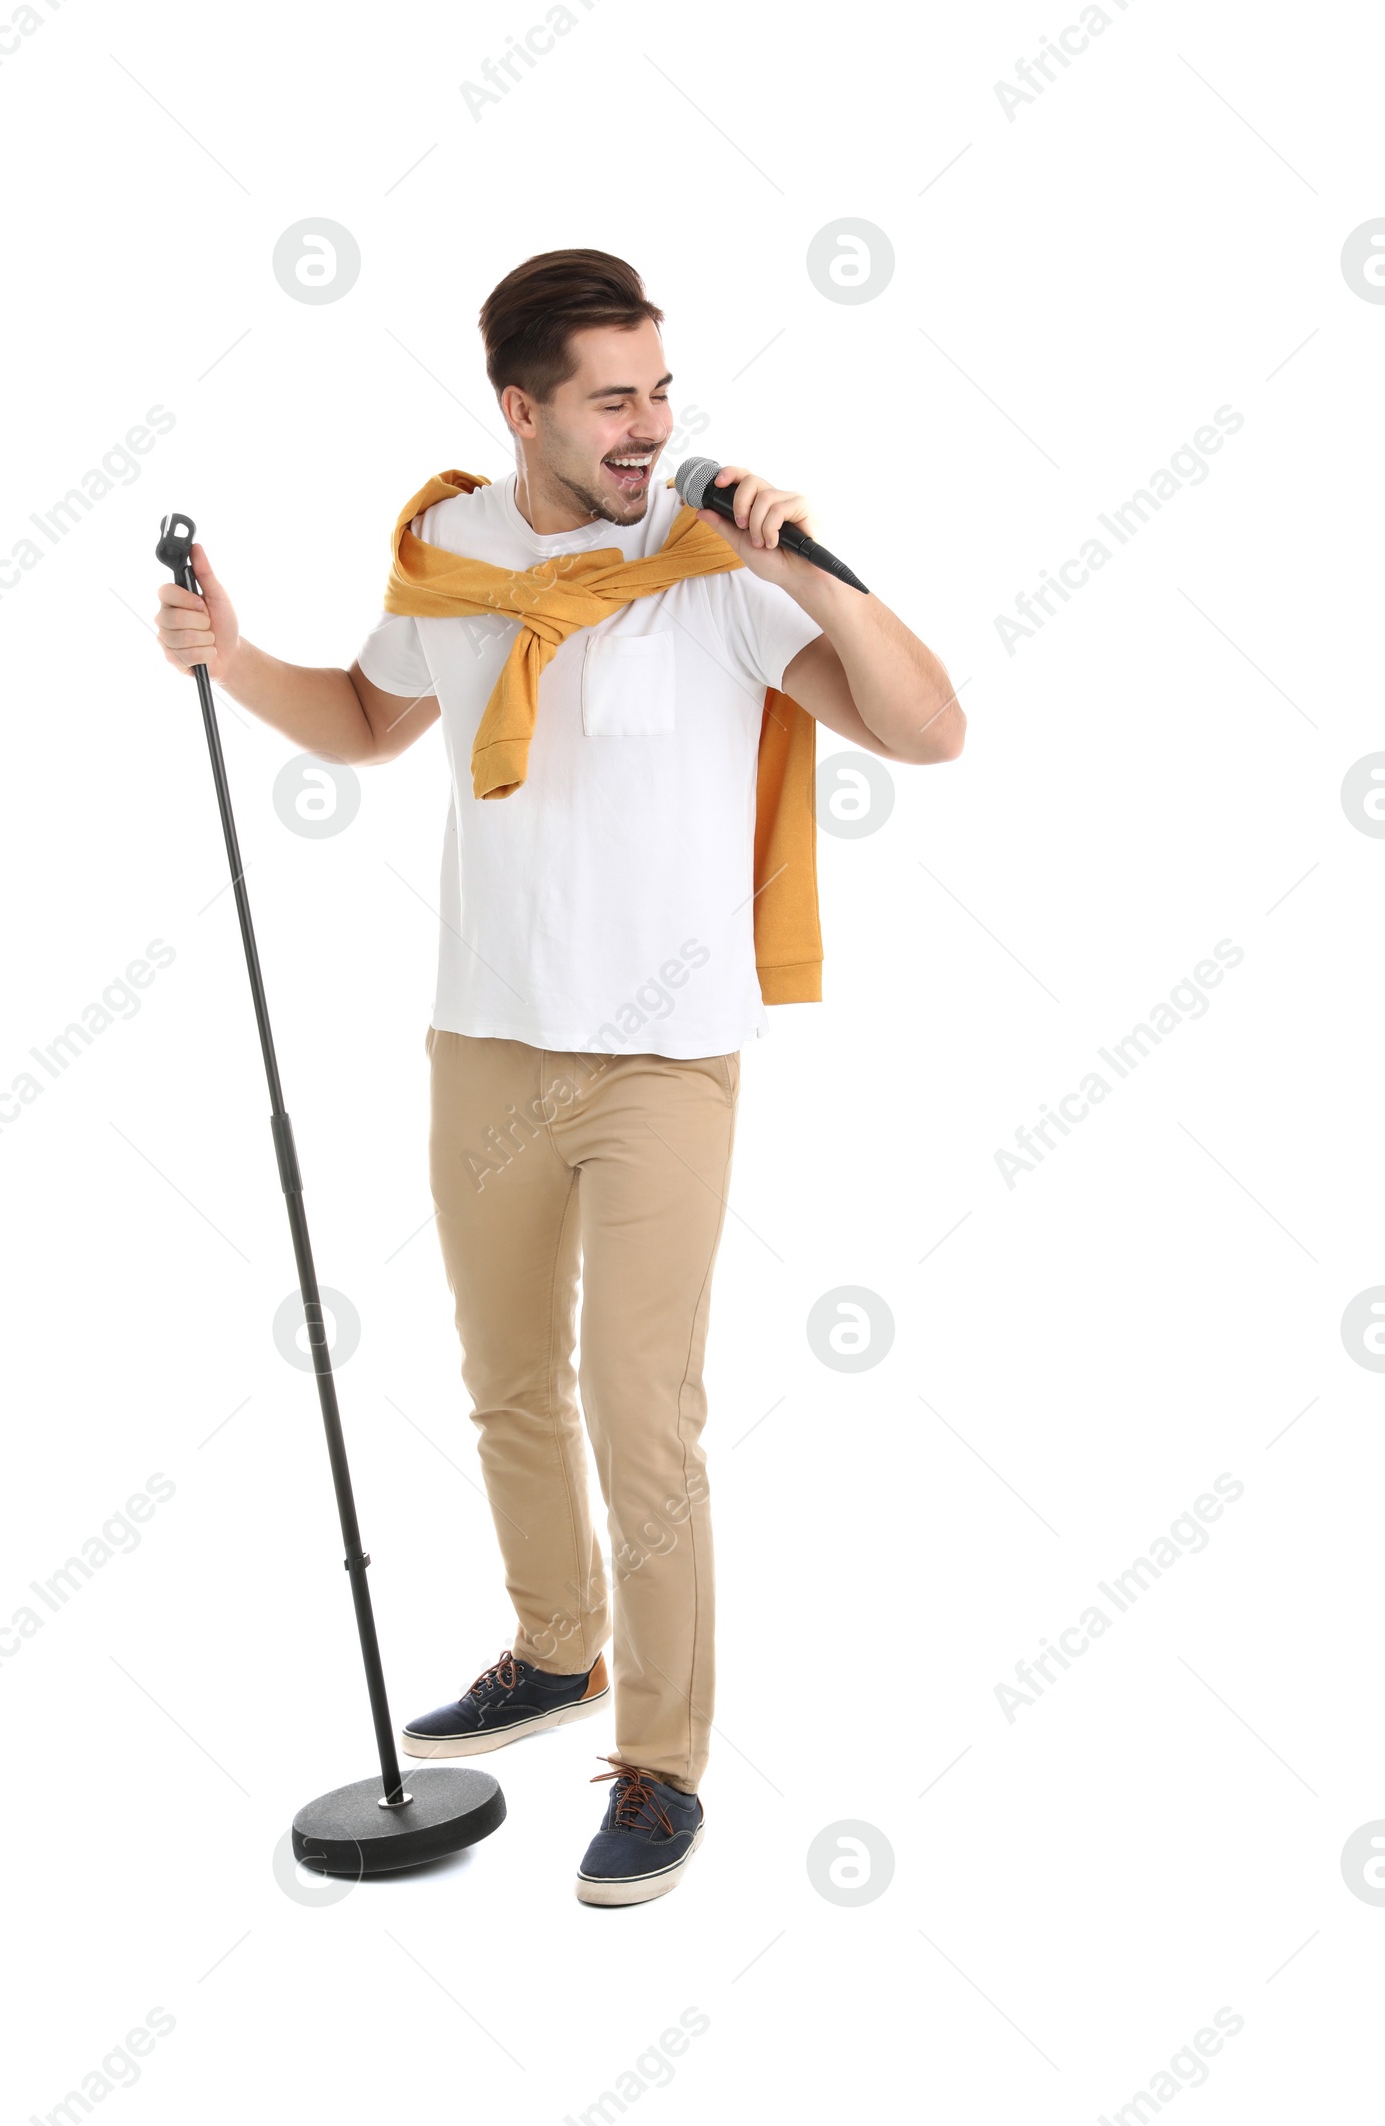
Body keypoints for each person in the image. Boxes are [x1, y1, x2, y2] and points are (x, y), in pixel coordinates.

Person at [154, 248, 963, 1905]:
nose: (651, 426)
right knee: (508, 1371)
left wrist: (810, 563)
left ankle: (662, 1763)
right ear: (521, 408)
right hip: (486, 1032)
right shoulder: (450, 552)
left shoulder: (713, 566)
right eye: (615, 397)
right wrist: (231, 656)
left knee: (636, 1407)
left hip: (666, 1056)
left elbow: (928, 728)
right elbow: (374, 721)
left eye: (661, 389)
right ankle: (555, 1650)